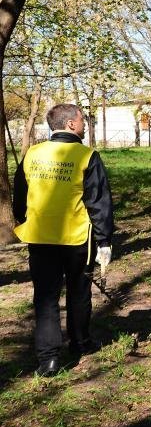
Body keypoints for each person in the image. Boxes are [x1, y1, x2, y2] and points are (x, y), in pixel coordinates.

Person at [13, 104, 115, 377]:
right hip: (76, 238)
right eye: (82, 120)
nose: (84, 124)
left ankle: (48, 359)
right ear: (71, 124)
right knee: (78, 292)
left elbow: (20, 197)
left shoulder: (32, 154)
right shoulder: (86, 155)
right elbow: (99, 202)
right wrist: (105, 240)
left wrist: (25, 220)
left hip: (40, 238)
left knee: (45, 297)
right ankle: (80, 343)